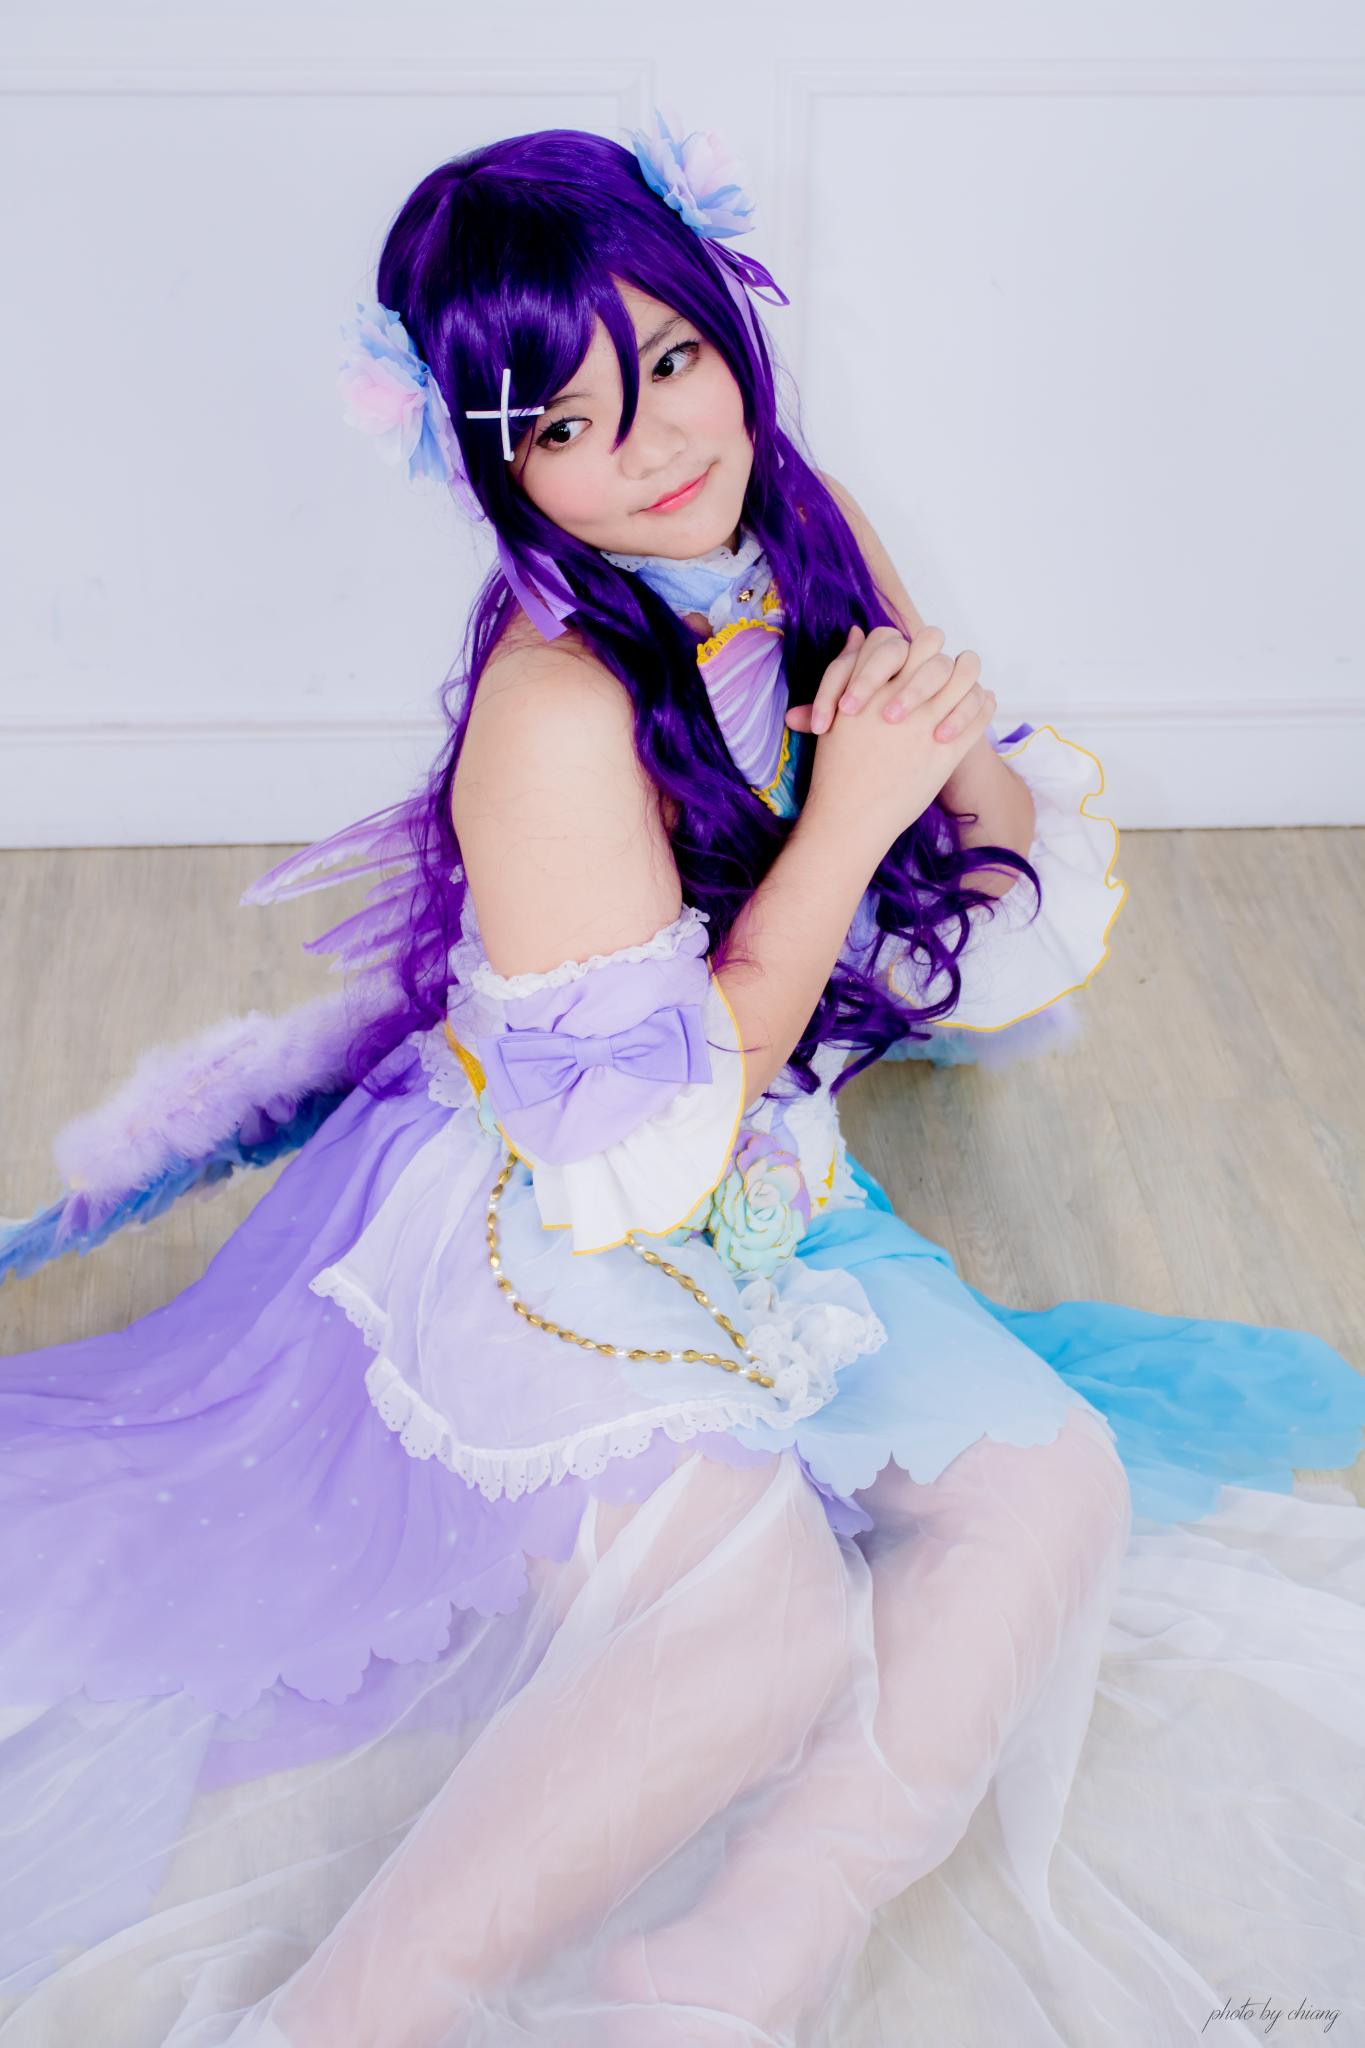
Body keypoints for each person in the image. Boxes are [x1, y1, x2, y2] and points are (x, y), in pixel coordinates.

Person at [2, 112, 1363, 2048]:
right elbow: (634, 1156)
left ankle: (737, 1961)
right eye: (567, 421)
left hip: (770, 1177)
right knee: (757, 1629)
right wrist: (847, 818)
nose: (652, 442)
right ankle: (346, 2021)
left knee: (1049, 1490)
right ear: (493, 460)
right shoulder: (555, 709)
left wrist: (920, 751)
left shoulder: (796, 521)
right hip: (547, 1205)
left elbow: (985, 879)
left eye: (670, 357)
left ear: (728, 325)